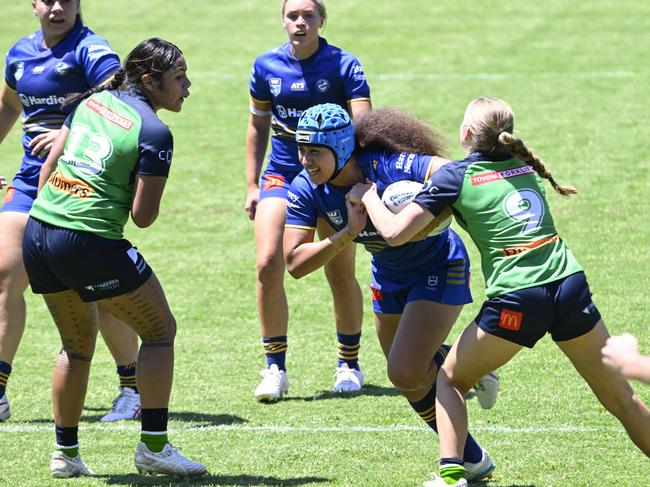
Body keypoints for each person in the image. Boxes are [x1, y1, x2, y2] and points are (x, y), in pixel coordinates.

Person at [349, 96, 650, 486]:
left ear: (467, 134)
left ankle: (453, 474)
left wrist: (369, 195)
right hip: (570, 285)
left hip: (519, 298)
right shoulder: (524, 164)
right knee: (621, 400)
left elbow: (392, 233)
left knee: (450, 379)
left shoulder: (454, 177)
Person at [284, 103, 499, 483]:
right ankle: (473, 456)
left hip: (438, 266)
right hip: (388, 275)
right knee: (407, 378)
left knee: (405, 367)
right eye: (302, 150)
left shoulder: (390, 166)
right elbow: (296, 263)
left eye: (315, 151)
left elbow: (450, 172)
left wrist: (426, 209)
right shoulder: (306, 189)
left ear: (342, 149)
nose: (305, 160)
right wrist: (346, 234)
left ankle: (469, 371)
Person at [21, 37, 205, 478]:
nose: (187, 86)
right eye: (179, 78)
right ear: (149, 80)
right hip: (88, 242)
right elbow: (143, 218)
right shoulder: (155, 132)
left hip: (39, 231)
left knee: (76, 344)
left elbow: (49, 170)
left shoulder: (93, 101)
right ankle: (154, 448)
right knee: (160, 332)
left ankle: (65, 455)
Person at [0, 0, 141, 423]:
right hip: (29, 180)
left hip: (82, 181)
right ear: (34, 5)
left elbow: (120, 100)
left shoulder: (91, 51)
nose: (58, 7)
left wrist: (66, 133)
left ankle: (132, 389)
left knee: (98, 288)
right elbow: (9, 106)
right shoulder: (20, 54)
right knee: (6, 273)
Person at [245, 0, 372, 401]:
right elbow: (256, 126)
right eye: (292, 16)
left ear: (321, 21)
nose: (300, 22)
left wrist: (357, 179)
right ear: (283, 21)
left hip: (331, 179)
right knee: (268, 263)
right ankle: (274, 368)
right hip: (283, 174)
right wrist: (252, 184)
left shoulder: (343, 65)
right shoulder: (266, 66)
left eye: (308, 16)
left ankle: (349, 364)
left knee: (338, 271)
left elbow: (364, 124)